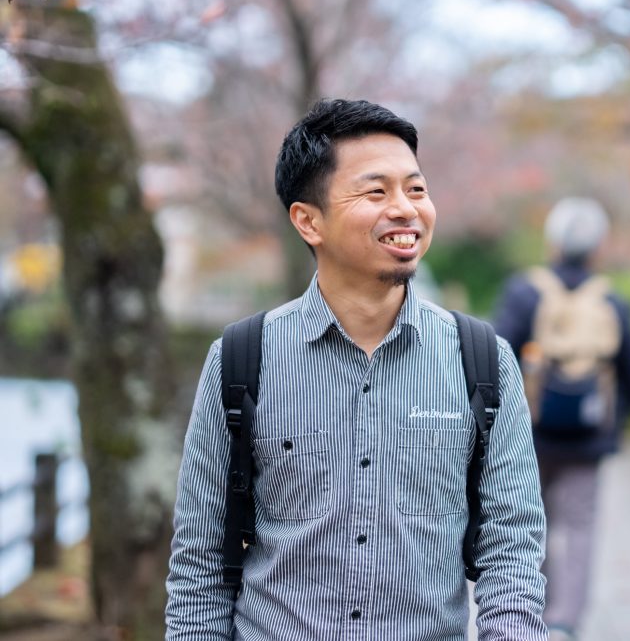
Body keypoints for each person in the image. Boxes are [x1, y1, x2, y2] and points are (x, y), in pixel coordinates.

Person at [165, 99, 547, 640]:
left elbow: (512, 550)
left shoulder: (480, 359)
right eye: (376, 192)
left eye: (416, 189)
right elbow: (199, 563)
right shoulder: (240, 360)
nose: (406, 209)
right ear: (309, 221)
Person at [492, 197, 630, 641]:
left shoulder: (524, 292)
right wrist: (616, 421)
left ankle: (534, 614)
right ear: (598, 248)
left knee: (527, 524)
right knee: (579, 526)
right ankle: (566, 622)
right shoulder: (612, 299)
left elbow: (495, 357)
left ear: (552, 243)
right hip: (588, 438)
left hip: (529, 437)